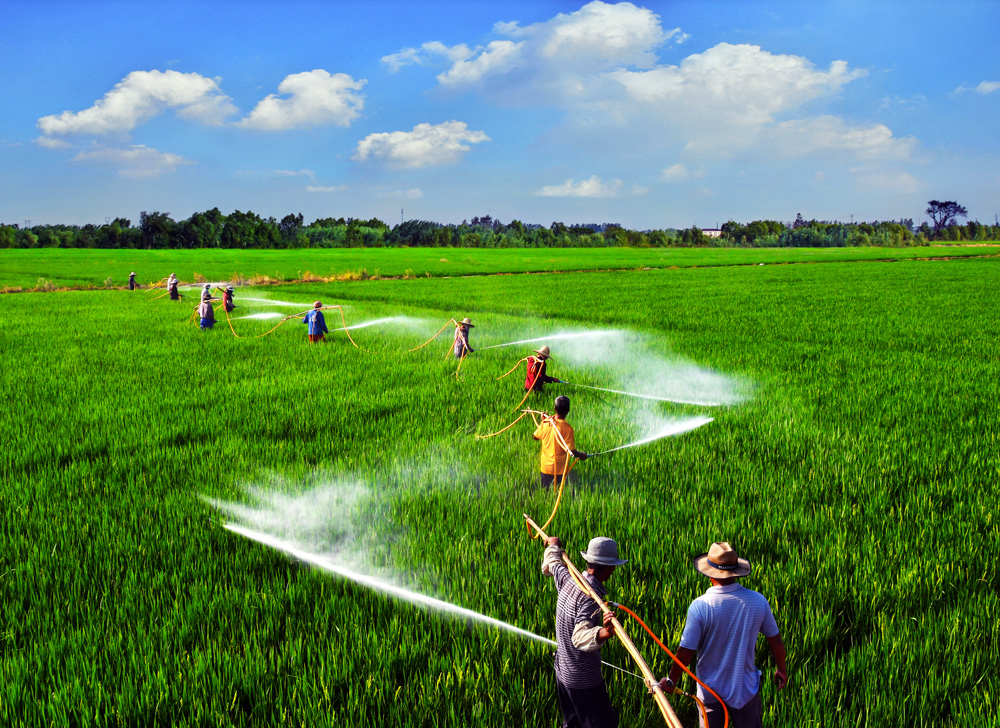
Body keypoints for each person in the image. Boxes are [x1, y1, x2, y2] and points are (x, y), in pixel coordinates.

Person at [657, 542, 788, 728]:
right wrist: (781, 668)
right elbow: (775, 641)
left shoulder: (700, 606)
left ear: (709, 571)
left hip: (710, 694)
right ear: (736, 571)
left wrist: (671, 681)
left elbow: (685, 652)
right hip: (746, 692)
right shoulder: (758, 601)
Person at [541, 534, 627, 728]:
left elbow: (554, 564)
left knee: (572, 725)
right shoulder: (591, 598)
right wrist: (605, 632)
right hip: (584, 680)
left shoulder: (570, 579)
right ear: (611, 568)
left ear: (589, 561)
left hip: (563, 673)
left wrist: (553, 545)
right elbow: (579, 637)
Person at [533, 395, 588, 489]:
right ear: (568, 410)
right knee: (560, 490)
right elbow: (572, 452)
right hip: (560, 469)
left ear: (555, 408)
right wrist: (582, 455)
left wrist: (544, 422)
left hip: (546, 467)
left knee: (545, 491)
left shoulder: (546, 423)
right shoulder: (568, 429)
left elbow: (535, 437)